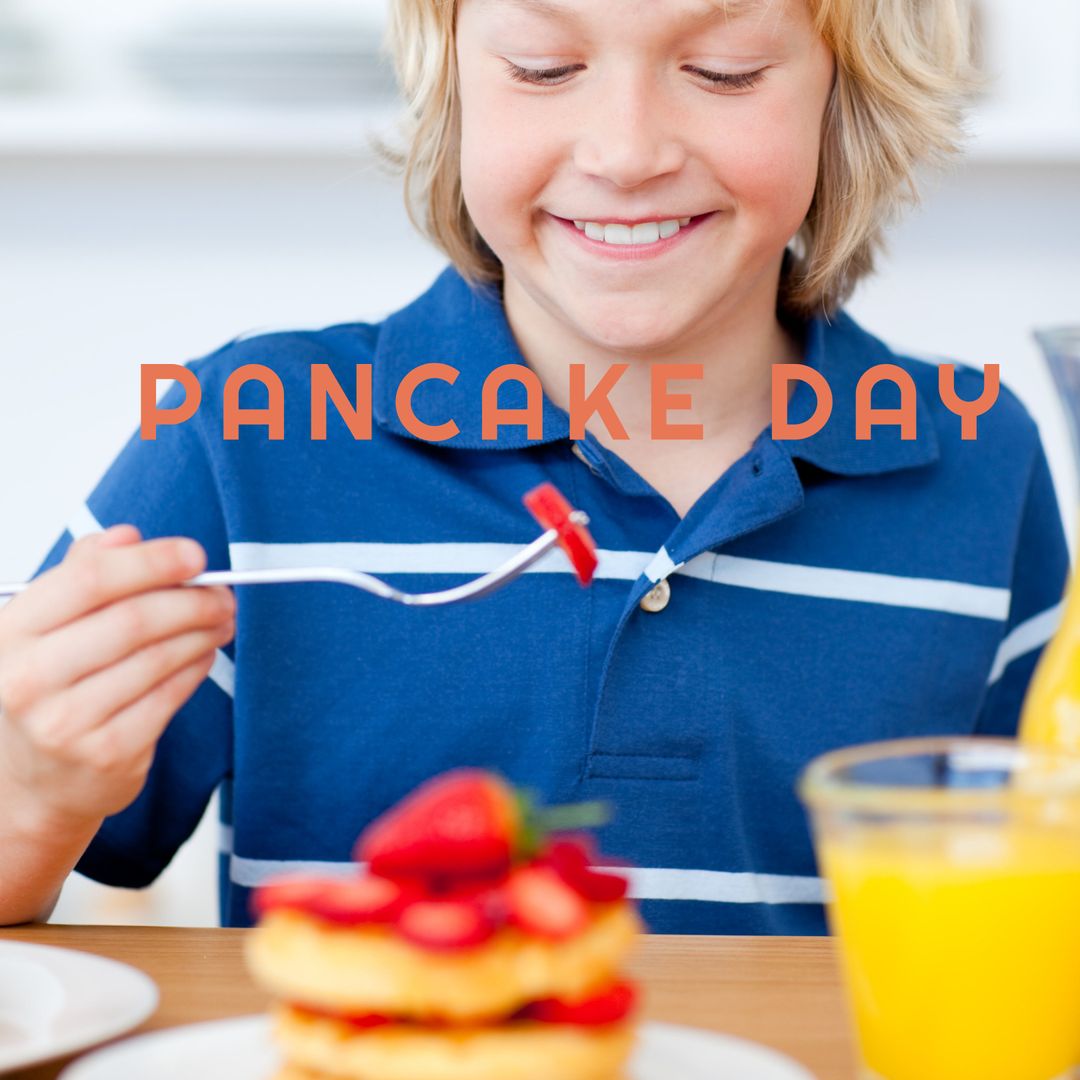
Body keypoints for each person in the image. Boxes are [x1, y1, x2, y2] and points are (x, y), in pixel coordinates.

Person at [0, 0, 1067, 934]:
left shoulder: (978, 455)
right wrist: (31, 797)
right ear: (453, 82)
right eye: (545, 68)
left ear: (850, 93)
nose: (625, 150)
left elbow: (1028, 900)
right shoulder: (242, 437)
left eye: (724, 70)